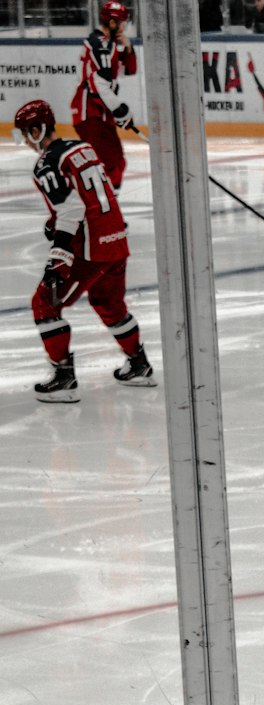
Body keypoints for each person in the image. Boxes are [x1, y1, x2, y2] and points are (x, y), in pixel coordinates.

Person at [14, 97, 155, 404]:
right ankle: (139, 365)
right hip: (116, 238)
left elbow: (71, 207)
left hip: (91, 249)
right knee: (108, 303)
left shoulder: (47, 163)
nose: (25, 140)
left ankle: (64, 378)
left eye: (27, 132)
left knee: (44, 304)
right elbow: (89, 197)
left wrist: (59, 256)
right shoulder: (81, 148)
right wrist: (56, 223)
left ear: (39, 129)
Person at [70, 0, 137, 193]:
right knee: (111, 164)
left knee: (114, 163)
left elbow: (126, 70)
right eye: (123, 22)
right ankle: (102, 215)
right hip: (91, 114)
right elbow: (98, 84)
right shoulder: (101, 45)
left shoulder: (107, 44)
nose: (125, 27)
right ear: (113, 23)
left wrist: (129, 47)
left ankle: (105, 213)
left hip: (97, 115)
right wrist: (119, 110)